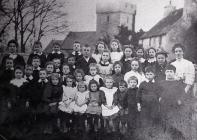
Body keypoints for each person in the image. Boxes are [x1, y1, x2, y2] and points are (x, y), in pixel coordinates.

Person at [159, 64, 192, 140]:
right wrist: (159, 98)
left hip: (175, 105)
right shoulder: (161, 83)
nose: (169, 73)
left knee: (174, 121)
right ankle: (165, 135)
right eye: (167, 71)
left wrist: (180, 100)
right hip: (164, 105)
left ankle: (176, 136)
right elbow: (158, 92)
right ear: (165, 73)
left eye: (171, 71)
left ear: (174, 73)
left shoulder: (178, 83)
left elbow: (183, 93)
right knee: (165, 120)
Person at [137, 66, 160, 131]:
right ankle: (145, 132)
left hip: (154, 105)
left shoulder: (156, 83)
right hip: (144, 105)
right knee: (145, 119)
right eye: (147, 74)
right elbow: (138, 94)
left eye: (150, 74)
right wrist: (138, 104)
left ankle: (153, 132)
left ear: (154, 74)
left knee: (153, 118)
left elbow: (159, 94)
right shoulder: (142, 84)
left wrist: (158, 102)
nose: (149, 76)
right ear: (145, 75)